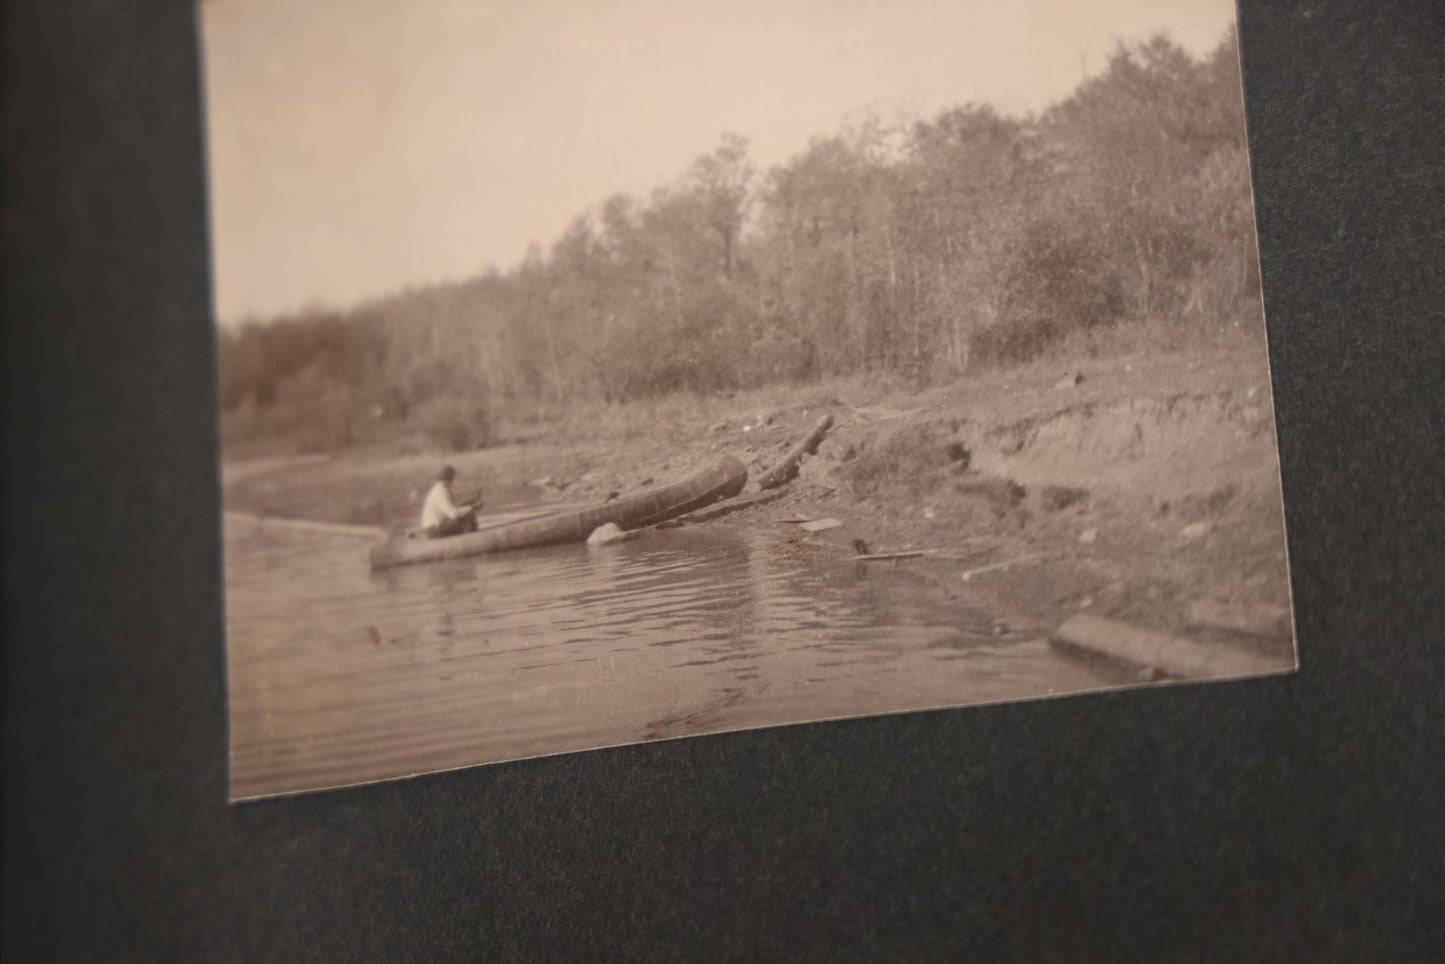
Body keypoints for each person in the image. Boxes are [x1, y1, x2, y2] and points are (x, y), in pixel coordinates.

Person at [420, 465, 481, 538]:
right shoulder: (441, 492)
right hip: (434, 531)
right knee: (468, 515)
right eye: (452, 477)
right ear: (448, 478)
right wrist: (471, 508)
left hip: (434, 528)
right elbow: (453, 514)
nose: (453, 479)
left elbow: (452, 507)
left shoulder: (441, 488)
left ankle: (471, 537)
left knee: (467, 514)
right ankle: (472, 539)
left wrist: (469, 504)